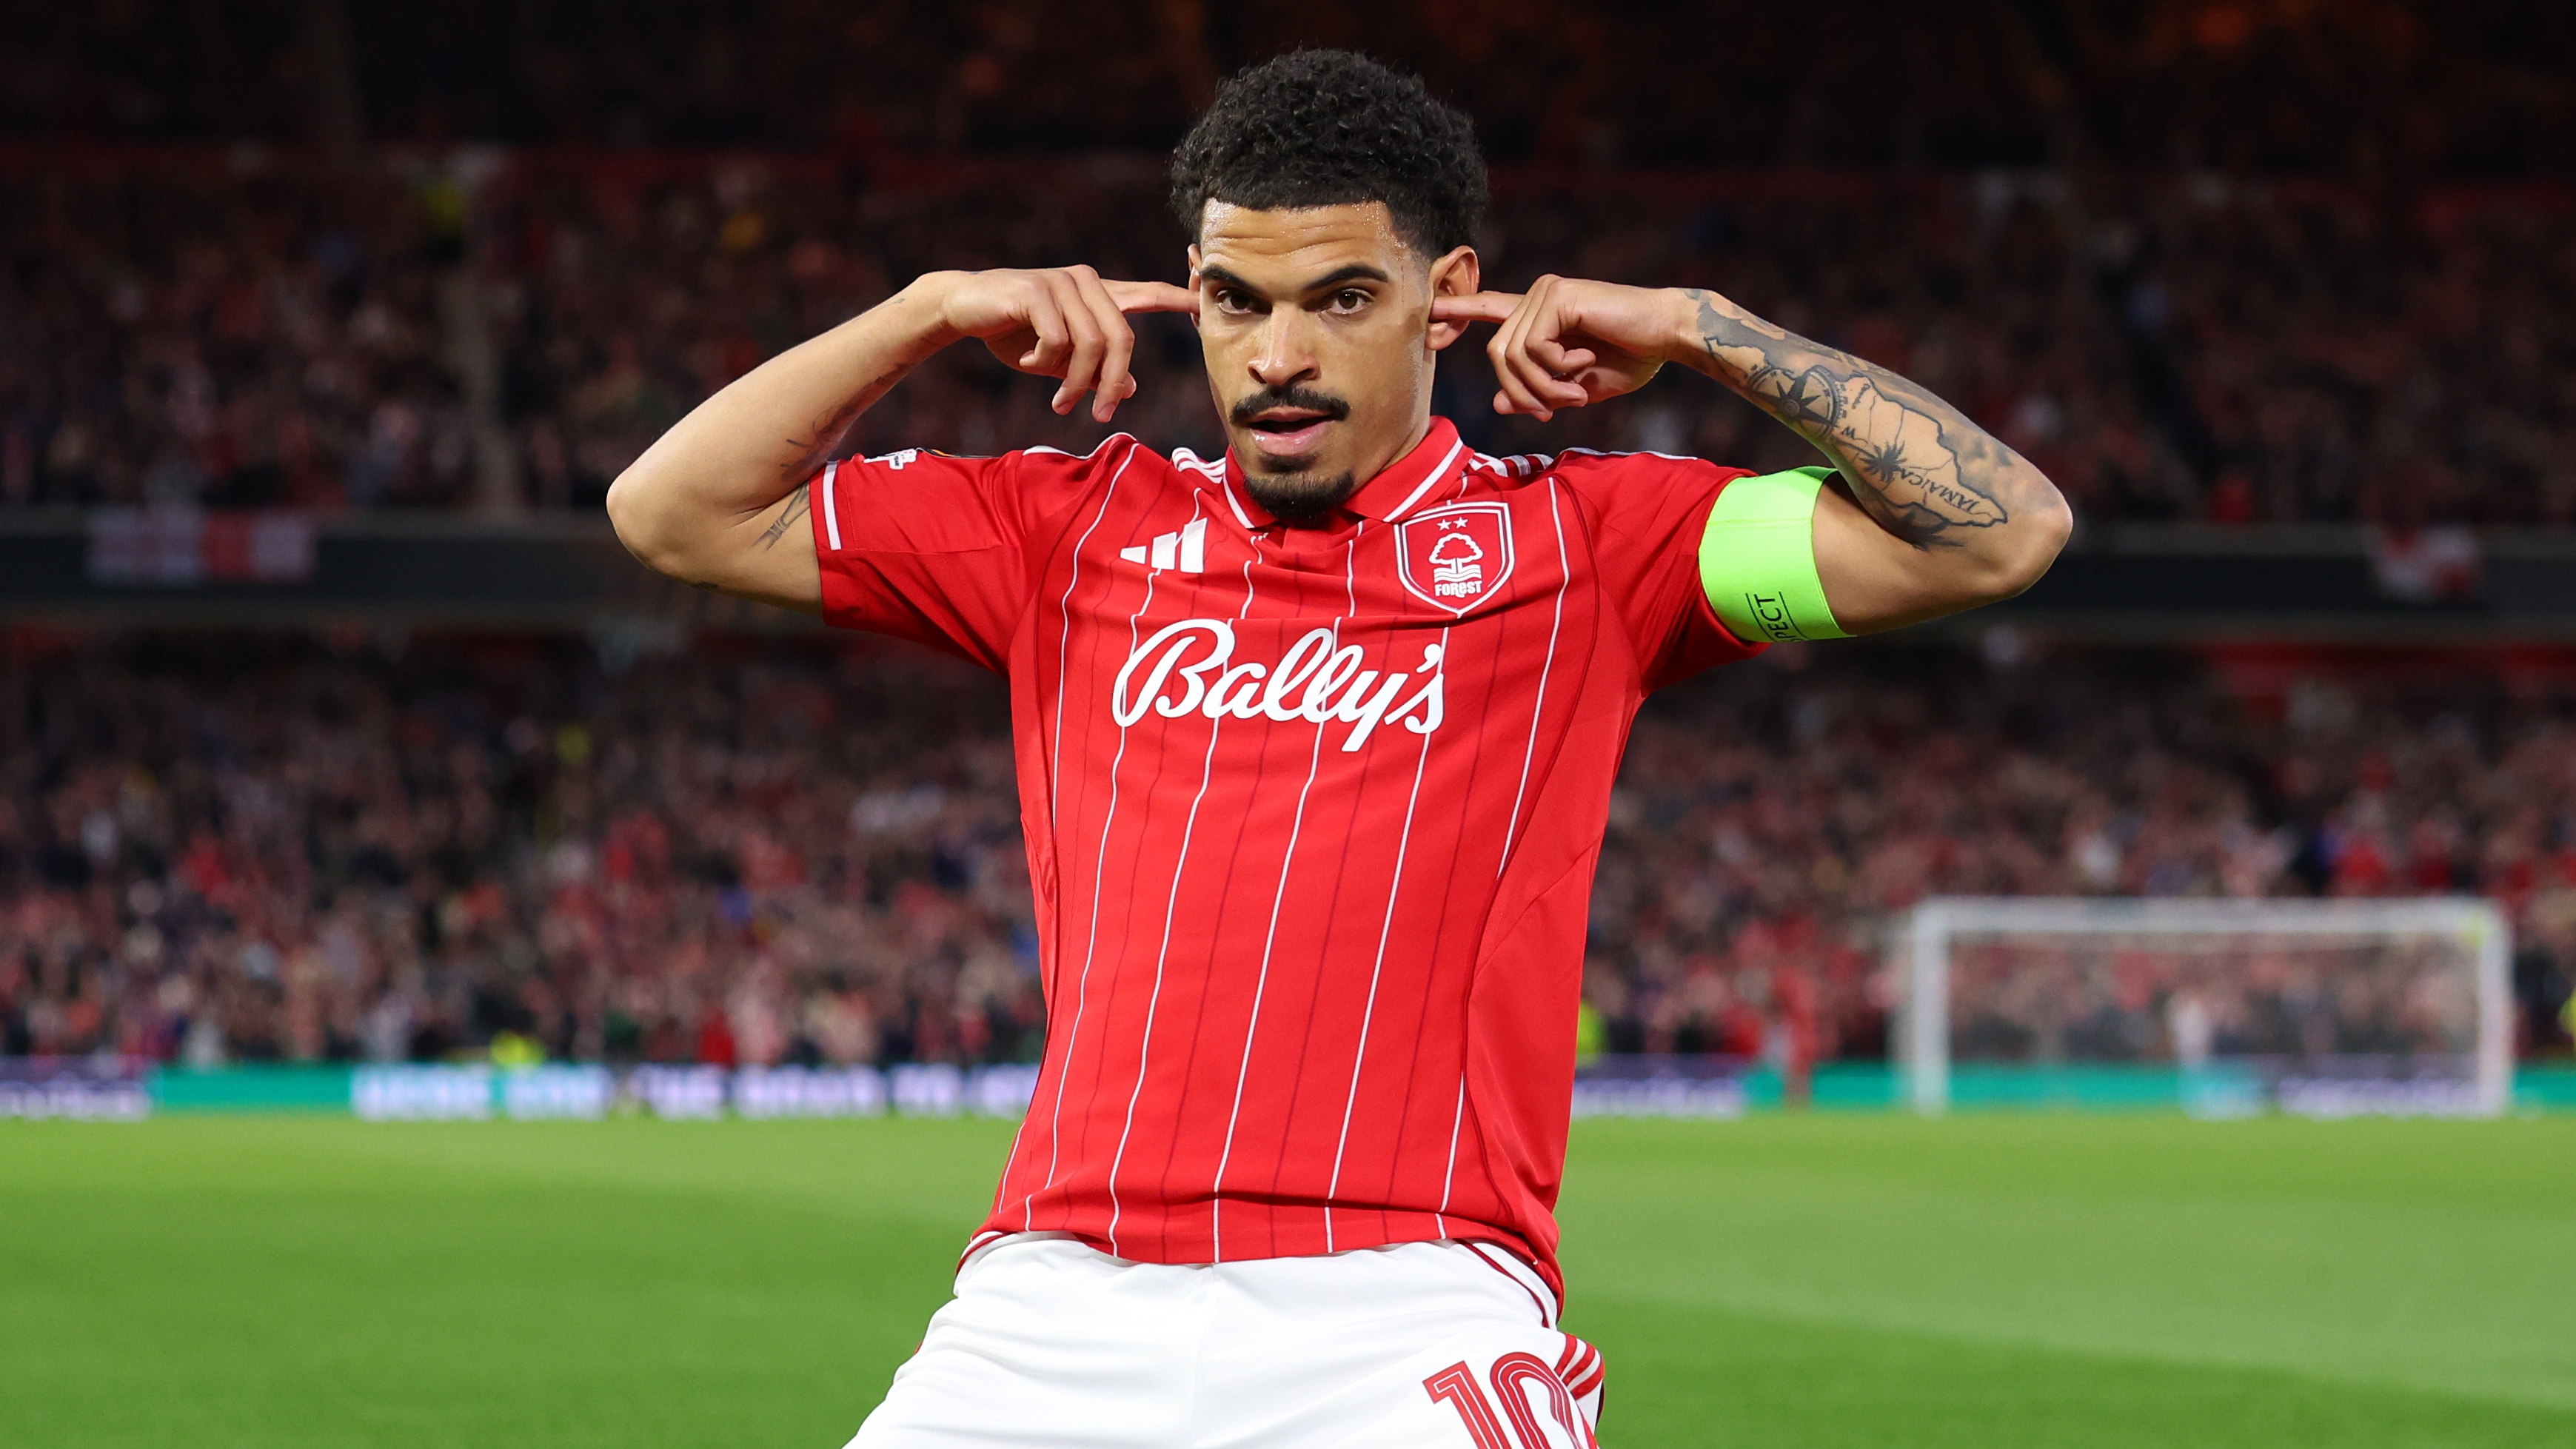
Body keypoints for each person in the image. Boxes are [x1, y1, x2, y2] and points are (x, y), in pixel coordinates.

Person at [607, 48, 2069, 1449]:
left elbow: (2003, 534)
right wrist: (922, 314)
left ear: (1448, 301)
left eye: (1341, 298)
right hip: (1053, 1298)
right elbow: (675, 512)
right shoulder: (1069, 529)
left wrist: (1702, 324)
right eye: (1236, 302)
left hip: (1407, 1303)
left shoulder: (1602, 544)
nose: (1280, 356)